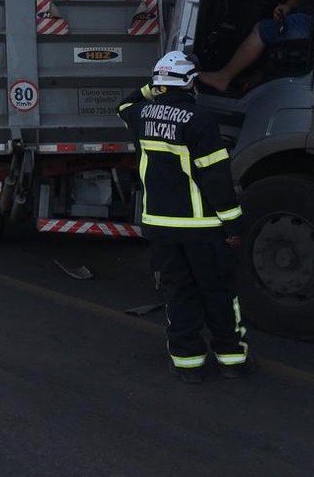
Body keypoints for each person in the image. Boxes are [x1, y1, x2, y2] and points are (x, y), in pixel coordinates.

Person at [118, 51, 253, 383]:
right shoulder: (200, 120)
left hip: (161, 227)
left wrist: (153, 88)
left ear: (159, 82)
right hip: (203, 228)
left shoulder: (141, 114)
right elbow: (216, 179)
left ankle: (187, 363)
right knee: (218, 292)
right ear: (191, 82)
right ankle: (231, 360)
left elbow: (123, 105)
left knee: (179, 293)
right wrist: (233, 224)